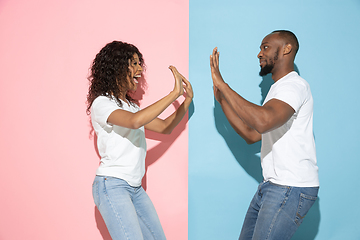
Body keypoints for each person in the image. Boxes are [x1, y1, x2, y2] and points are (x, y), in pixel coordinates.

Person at [210, 30, 319, 240]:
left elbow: (262, 121)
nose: (259, 54)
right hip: (273, 185)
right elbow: (252, 134)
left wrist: (224, 85)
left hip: (290, 187)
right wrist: (223, 99)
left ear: (286, 49)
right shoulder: (278, 90)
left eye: (265, 47)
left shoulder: (293, 86)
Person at [86, 41, 193, 240]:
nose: (139, 69)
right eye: (133, 63)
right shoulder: (102, 103)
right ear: (117, 67)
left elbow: (164, 127)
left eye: (139, 63)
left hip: (135, 189)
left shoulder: (131, 107)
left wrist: (185, 102)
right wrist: (173, 94)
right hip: (112, 186)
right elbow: (135, 122)